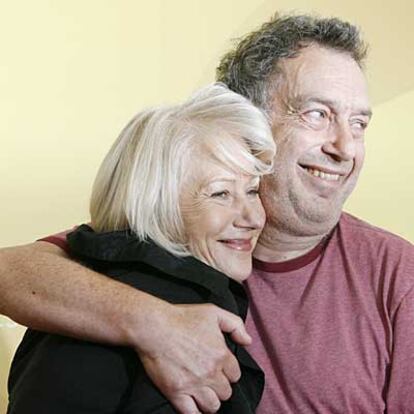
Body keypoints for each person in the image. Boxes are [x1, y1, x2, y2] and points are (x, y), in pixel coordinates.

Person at [1, 13, 414, 413]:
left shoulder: (397, 274)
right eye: (317, 114)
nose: (344, 147)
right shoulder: (155, 246)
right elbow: (9, 272)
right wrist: (156, 325)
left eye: (359, 123)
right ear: (245, 119)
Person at [7, 83, 275, 414]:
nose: (252, 217)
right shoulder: (186, 302)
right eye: (220, 194)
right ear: (157, 204)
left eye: (252, 191)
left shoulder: (88, 280)